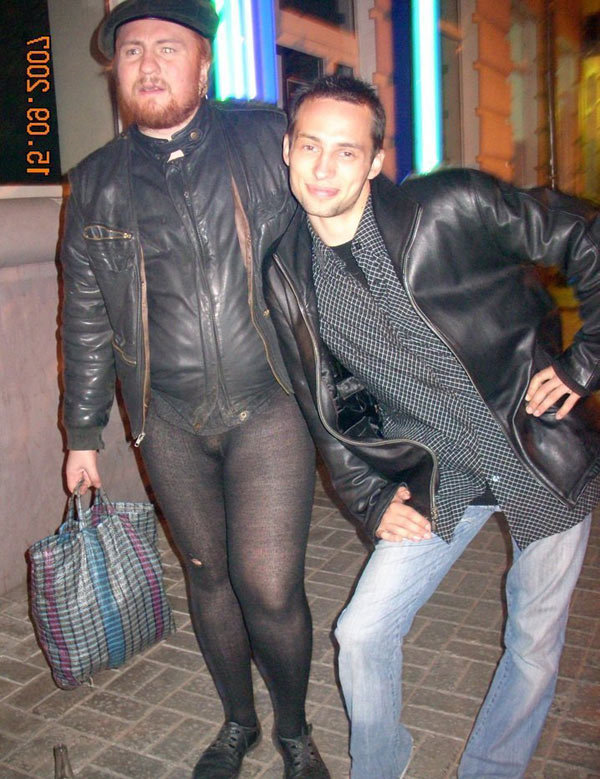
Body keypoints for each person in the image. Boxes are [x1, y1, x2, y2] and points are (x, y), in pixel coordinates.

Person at [263, 74, 600, 779]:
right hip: (439, 470)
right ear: (288, 149)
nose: (324, 168)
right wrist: (369, 498)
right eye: (310, 146)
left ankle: (490, 769)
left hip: (538, 448)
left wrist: (584, 363)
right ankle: (380, 765)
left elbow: (586, 235)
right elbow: (325, 404)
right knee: (361, 633)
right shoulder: (288, 269)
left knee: (533, 642)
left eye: (346, 152)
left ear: (375, 161)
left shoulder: (450, 206)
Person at [60, 2, 331, 777]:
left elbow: (340, 229)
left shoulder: (264, 140)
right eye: (132, 51)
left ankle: (294, 729)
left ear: (203, 64)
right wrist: (83, 432)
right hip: (169, 417)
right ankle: (238, 721)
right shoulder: (95, 184)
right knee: (209, 576)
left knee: (268, 584)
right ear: (116, 71)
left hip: (269, 403)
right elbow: (85, 315)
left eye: (168, 48)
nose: (148, 64)